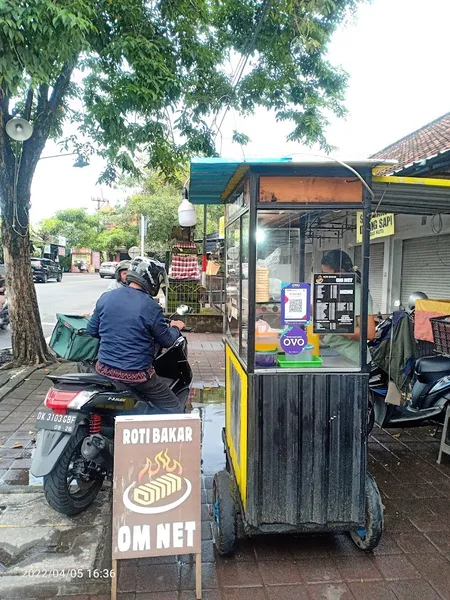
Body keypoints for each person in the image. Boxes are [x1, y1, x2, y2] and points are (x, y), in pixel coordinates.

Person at [87, 257, 186, 413]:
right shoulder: (151, 307)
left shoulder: (106, 297)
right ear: (152, 280)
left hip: (104, 370)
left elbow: (92, 330)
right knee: (173, 407)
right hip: (136, 376)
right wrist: (175, 327)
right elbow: (167, 340)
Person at [320, 249, 376, 365]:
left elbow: (369, 333)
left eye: (328, 274)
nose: (325, 278)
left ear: (340, 272)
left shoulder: (358, 293)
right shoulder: (333, 290)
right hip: (332, 353)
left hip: (351, 360)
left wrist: (335, 328)